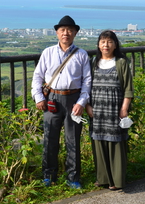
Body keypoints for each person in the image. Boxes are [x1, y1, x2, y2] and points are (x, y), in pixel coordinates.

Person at [31, 15, 92, 189]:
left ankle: (73, 177)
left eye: (70, 30)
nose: (66, 33)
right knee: (50, 139)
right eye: (63, 30)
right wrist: (39, 97)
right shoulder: (48, 52)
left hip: (74, 100)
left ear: (75, 33)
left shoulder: (81, 54)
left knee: (73, 140)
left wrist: (81, 102)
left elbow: (87, 81)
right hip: (52, 99)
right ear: (57, 33)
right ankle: (49, 175)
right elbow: (37, 77)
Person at [86, 30, 134, 191]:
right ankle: (103, 178)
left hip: (115, 109)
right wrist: (87, 106)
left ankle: (117, 180)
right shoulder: (92, 62)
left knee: (116, 143)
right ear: (98, 45)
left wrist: (124, 108)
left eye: (109, 42)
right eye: (102, 42)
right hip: (97, 110)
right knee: (99, 143)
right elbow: (85, 87)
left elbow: (128, 88)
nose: (106, 45)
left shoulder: (121, 63)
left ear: (115, 44)